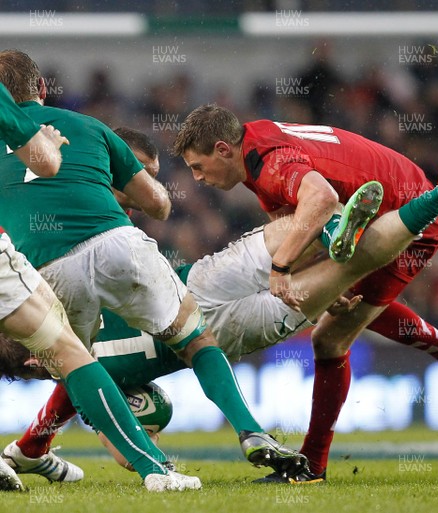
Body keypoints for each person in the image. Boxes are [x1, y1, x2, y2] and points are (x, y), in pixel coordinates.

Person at [3, 130, 438, 484]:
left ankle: (369, 222)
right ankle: (407, 207)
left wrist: (41, 443)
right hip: (196, 293)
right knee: (301, 256)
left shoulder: (70, 341)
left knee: (333, 280)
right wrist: (35, 445)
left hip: (223, 324)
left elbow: (97, 408)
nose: (191, 179)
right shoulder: (73, 261)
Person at [0, 50, 304, 489]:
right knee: (195, 338)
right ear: (42, 90)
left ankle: (112, 459)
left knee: (75, 366)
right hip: (114, 243)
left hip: (42, 266)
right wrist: (120, 187)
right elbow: (159, 206)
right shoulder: (90, 127)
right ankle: (249, 430)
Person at [173, 104, 438, 482]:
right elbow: (296, 226)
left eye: (198, 167)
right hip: (390, 195)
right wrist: (323, 286)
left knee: (329, 339)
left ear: (222, 149)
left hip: (405, 216)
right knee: (348, 306)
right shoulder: (257, 145)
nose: (197, 178)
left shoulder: (270, 161)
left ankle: (313, 465)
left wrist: (281, 267)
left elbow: (320, 199)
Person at [0, 83, 197, 492]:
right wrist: (47, 144)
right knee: (68, 352)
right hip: (61, 254)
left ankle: (33, 447)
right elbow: (47, 164)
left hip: (43, 253)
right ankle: (153, 467)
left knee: (63, 352)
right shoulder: (61, 127)